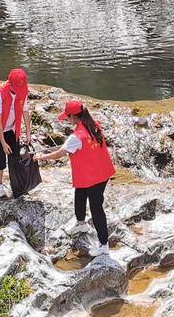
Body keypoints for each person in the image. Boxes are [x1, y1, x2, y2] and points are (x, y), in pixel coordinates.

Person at [37, 98, 116, 258]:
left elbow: (59, 154)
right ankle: (81, 224)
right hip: (101, 171)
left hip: (94, 177)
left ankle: (103, 245)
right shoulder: (93, 125)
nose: (66, 119)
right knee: (80, 193)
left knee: (96, 208)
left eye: (67, 116)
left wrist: (40, 157)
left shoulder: (76, 137)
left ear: (74, 117)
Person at [0, 67, 31, 196]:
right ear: (10, 84)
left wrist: (28, 133)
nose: (20, 91)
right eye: (17, 88)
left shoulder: (23, 90)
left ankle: (18, 185)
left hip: (10, 128)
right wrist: (3, 143)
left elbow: (25, 111)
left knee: (16, 155)